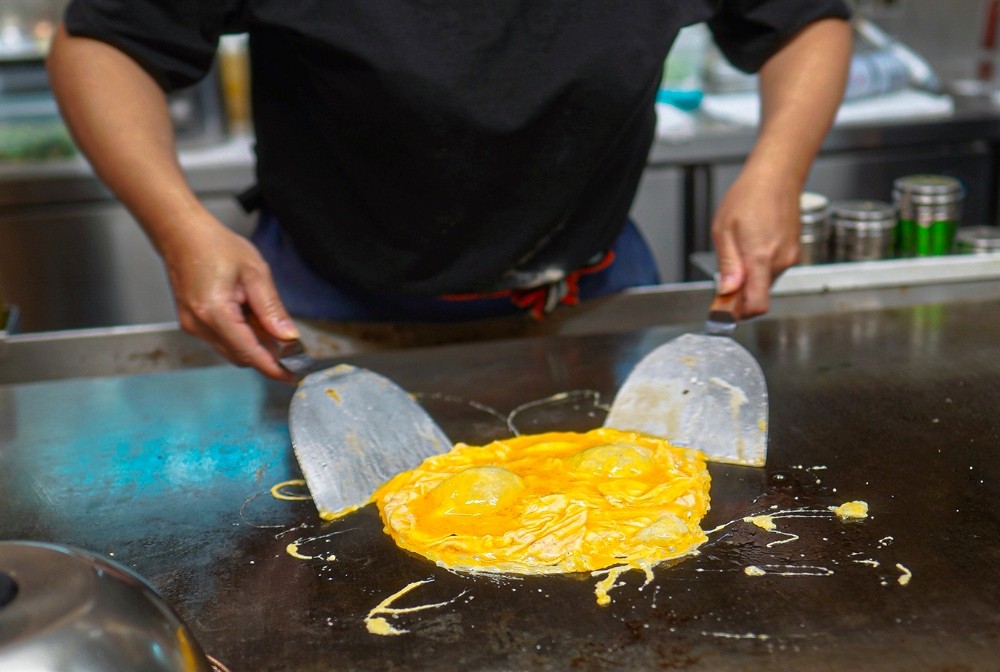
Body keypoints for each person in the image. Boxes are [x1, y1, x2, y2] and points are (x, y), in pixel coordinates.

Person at [47, 1, 852, 381]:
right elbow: (103, 45)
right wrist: (178, 225)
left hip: (592, 298)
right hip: (323, 315)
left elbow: (806, 20)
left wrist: (775, 171)